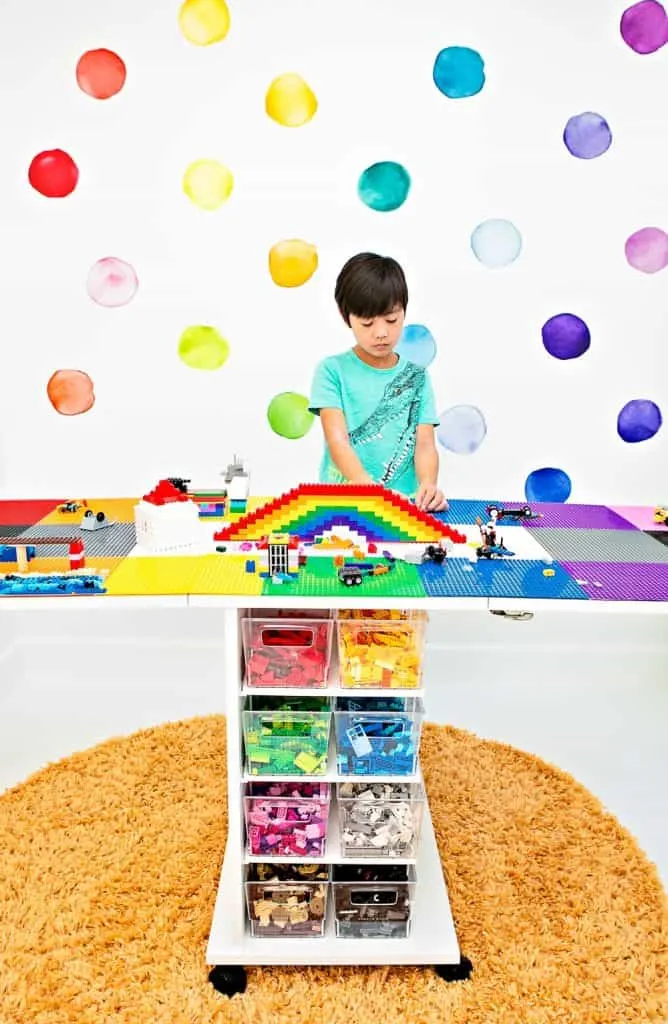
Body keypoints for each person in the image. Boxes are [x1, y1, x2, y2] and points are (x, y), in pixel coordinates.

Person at [308, 252, 448, 512]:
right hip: (341, 505)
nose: (381, 332)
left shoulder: (417, 377)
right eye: (367, 322)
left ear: (404, 311)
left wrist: (428, 485)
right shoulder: (332, 371)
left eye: (392, 319)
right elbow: (338, 441)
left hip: (402, 507)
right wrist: (365, 486)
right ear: (345, 316)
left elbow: (425, 443)